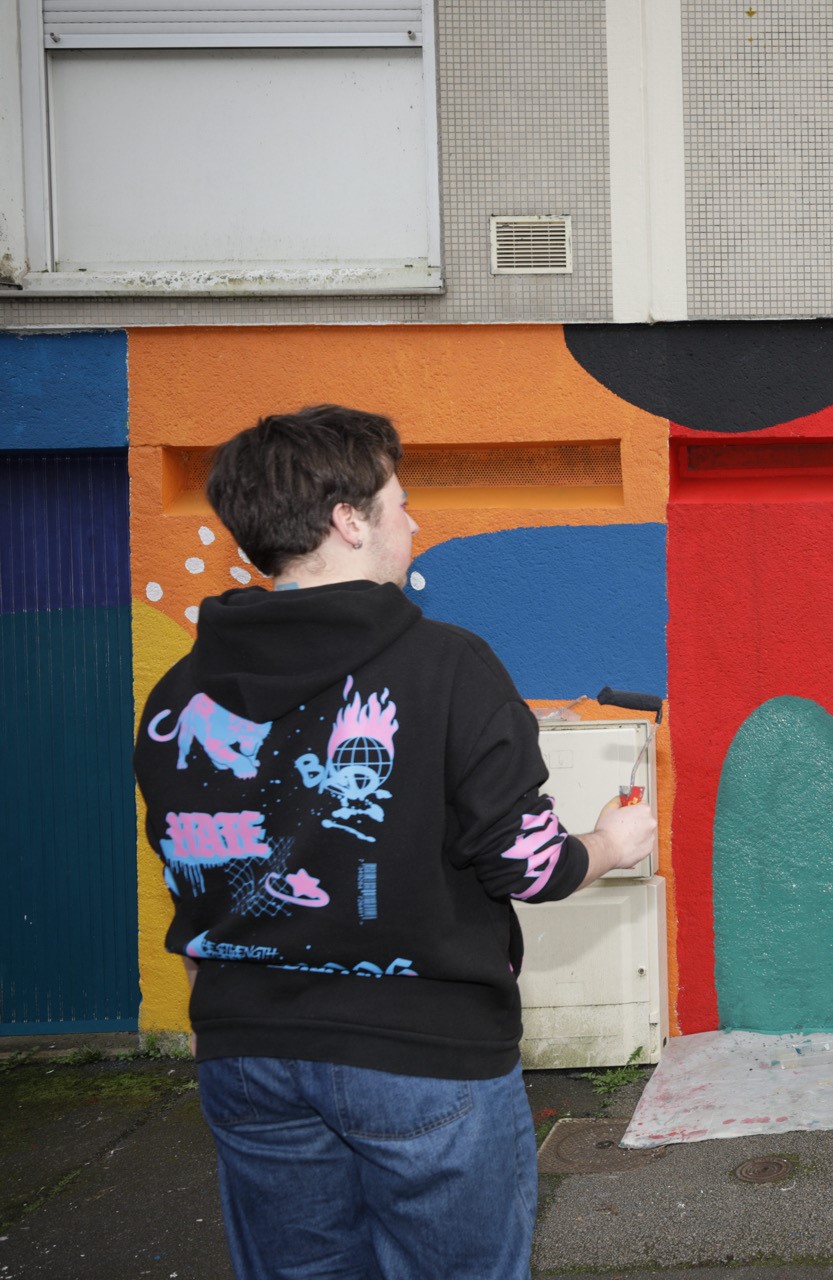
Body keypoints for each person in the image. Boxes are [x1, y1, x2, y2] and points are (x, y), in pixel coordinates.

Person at [133, 405, 656, 1280]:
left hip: (246, 1050)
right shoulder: (449, 665)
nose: (413, 522)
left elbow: (194, 864)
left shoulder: (180, 690)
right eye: (400, 503)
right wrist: (610, 840)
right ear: (349, 520)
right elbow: (527, 864)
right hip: (424, 1053)